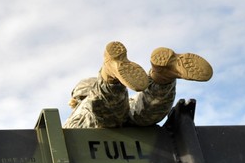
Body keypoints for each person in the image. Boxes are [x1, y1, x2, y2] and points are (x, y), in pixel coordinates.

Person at [64, 41, 212, 128]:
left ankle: (109, 77)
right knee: (145, 111)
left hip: (102, 125)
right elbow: (146, 109)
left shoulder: (82, 108)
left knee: (107, 110)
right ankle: (161, 77)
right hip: (133, 126)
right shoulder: (126, 104)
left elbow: (99, 107)